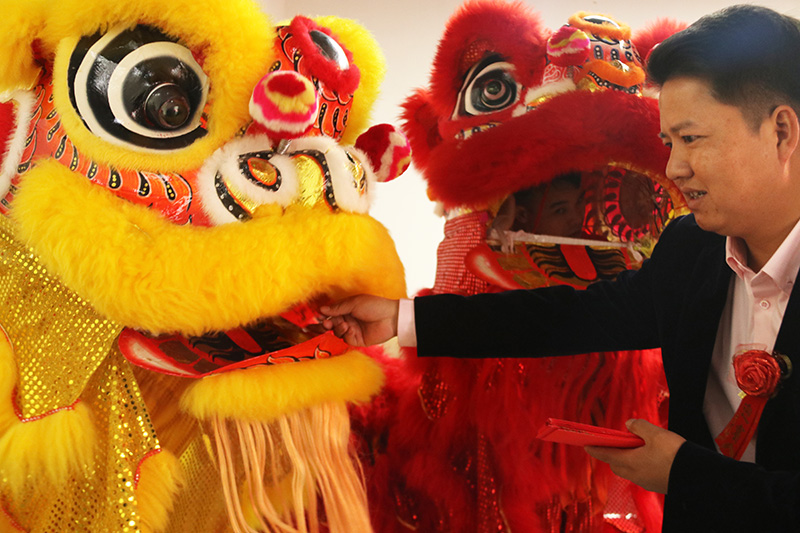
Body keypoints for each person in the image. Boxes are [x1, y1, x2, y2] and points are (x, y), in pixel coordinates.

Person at [322, 5, 800, 531]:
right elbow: (570, 317)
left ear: (781, 132)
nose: (673, 168)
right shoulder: (692, 251)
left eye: (692, 139)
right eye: (668, 144)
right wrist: (402, 318)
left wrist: (684, 473)